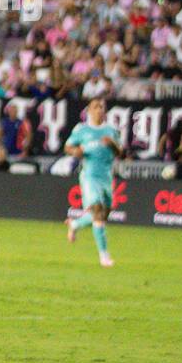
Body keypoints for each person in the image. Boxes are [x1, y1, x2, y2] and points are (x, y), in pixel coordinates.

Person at [64, 98, 123, 266]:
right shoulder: (82, 130)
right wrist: (76, 151)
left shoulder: (111, 130)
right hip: (90, 176)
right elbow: (68, 147)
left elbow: (120, 152)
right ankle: (104, 256)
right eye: (96, 107)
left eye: (102, 107)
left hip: (106, 176)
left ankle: (75, 224)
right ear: (89, 111)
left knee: (103, 215)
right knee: (97, 210)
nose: (99, 110)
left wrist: (112, 144)